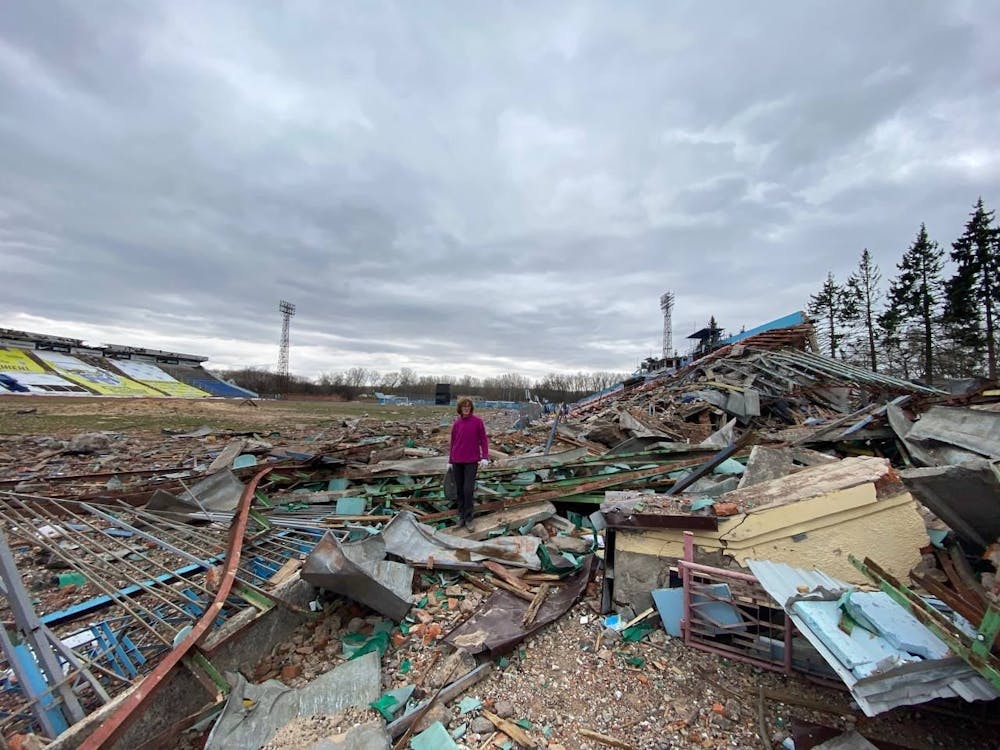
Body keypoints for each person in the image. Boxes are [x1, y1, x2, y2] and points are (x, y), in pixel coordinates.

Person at [448, 396, 489, 527]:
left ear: (471, 408)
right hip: (457, 461)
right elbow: (453, 443)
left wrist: (485, 457)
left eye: (468, 406)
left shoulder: (477, 422)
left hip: (471, 461)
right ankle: (461, 516)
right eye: (463, 406)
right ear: (460, 408)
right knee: (459, 490)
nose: (466, 408)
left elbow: (483, 440)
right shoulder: (456, 423)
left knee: (468, 489)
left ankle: (469, 518)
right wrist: (450, 460)